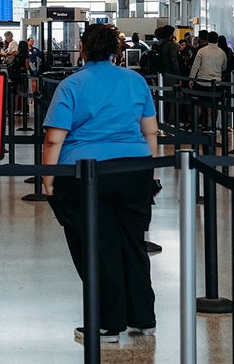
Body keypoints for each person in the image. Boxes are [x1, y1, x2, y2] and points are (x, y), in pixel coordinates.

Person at [41, 24, 158, 344]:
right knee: (133, 244)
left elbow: (54, 138)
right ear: (116, 51)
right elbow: (150, 131)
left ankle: (108, 324)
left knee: (97, 247)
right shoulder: (136, 81)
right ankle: (143, 318)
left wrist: (48, 179)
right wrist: (151, 172)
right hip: (135, 169)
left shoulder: (72, 85)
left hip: (87, 174)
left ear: (83, 49)